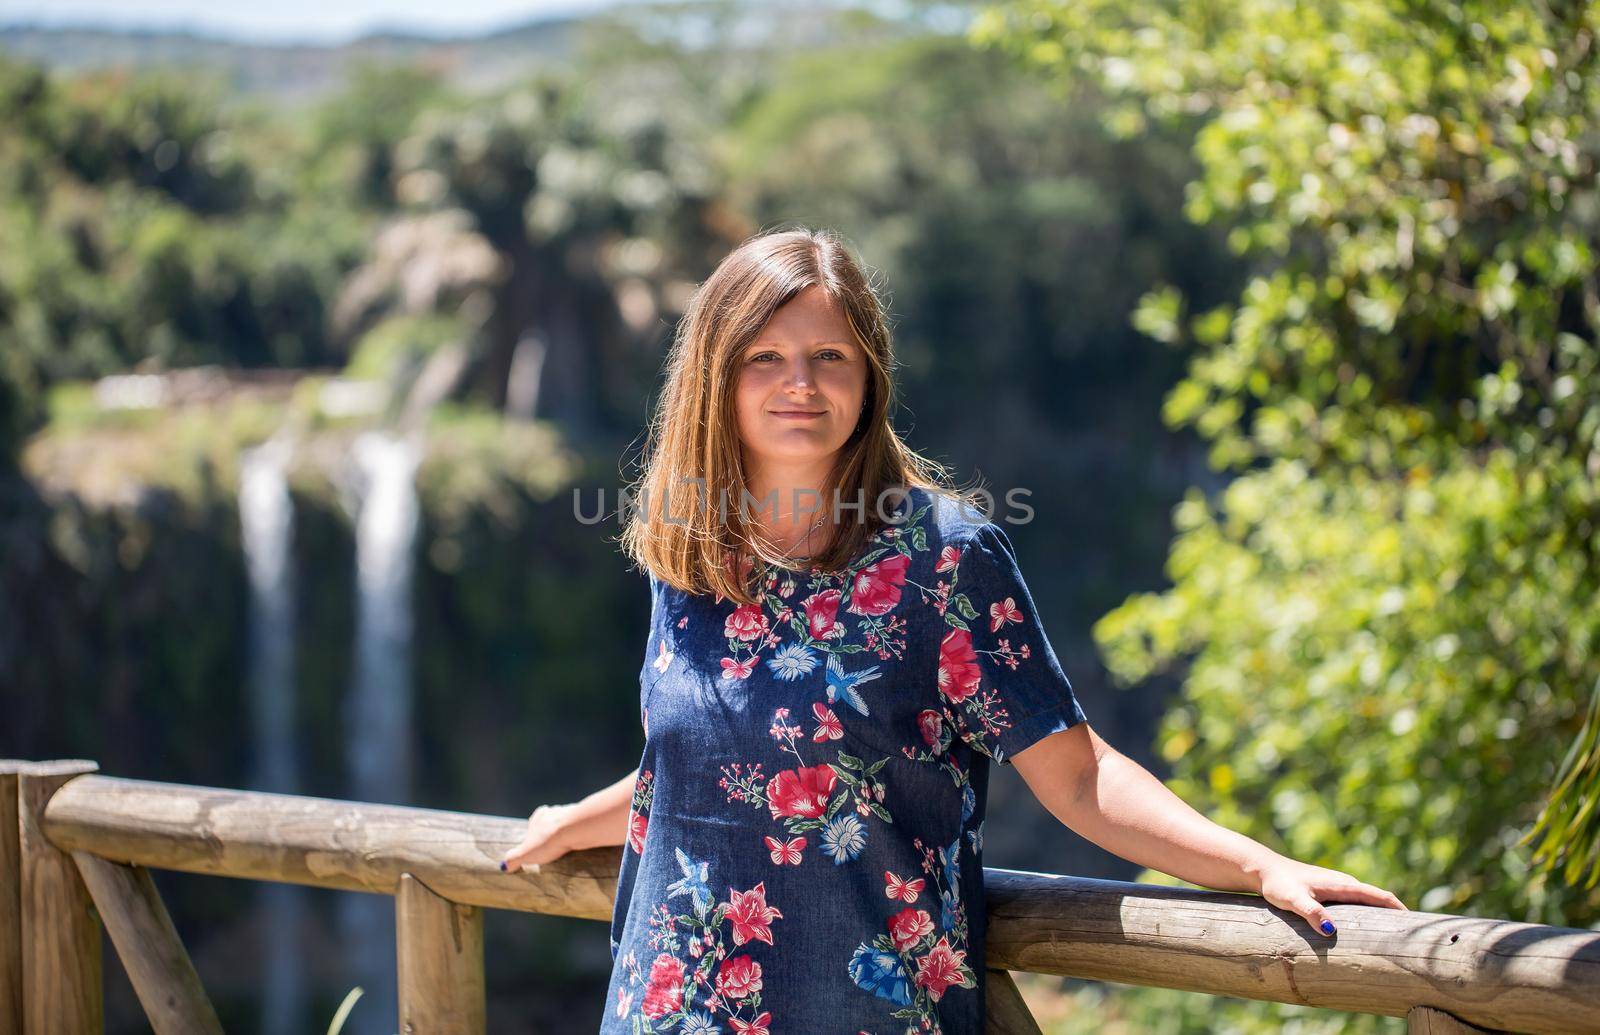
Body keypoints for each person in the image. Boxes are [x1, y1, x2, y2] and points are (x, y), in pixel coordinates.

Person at [501, 227, 1407, 1034]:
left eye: (830, 355)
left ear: (870, 375)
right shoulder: (691, 551)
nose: (800, 385)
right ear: (714, 375)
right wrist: (569, 821)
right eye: (764, 357)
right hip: (667, 1012)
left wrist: (1256, 867)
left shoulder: (943, 558)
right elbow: (712, 762)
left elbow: (1080, 776)